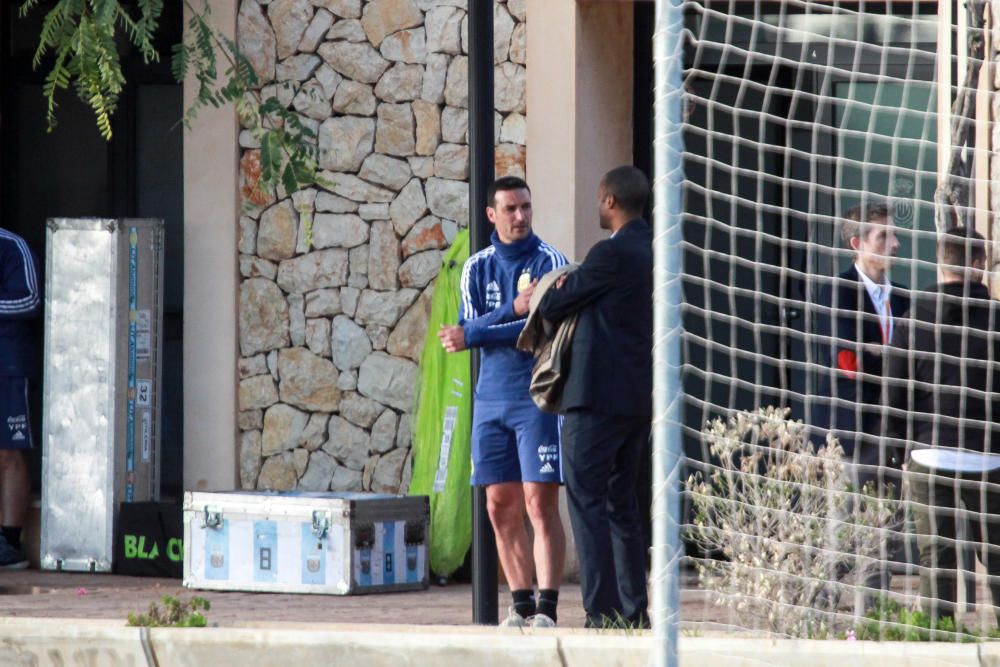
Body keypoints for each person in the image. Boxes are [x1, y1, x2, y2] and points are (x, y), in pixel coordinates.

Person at [438, 176, 568, 627]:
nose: (520, 217)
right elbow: (479, 325)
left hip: (537, 398)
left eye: (526, 207)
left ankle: (548, 610)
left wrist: (476, 333)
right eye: (510, 209)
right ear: (491, 215)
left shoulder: (551, 261)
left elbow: (537, 327)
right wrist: (509, 312)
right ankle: (520, 606)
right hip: (489, 400)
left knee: (539, 503)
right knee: (498, 505)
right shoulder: (475, 268)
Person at [536, 165, 652, 628]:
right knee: (622, 504)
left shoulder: (609, 254)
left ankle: (600, 612)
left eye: (599, 199)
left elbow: (552, 305)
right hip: (636, 401)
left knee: (585, 500)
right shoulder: (652, 250)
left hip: (596, 400)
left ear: (609, 202)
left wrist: (560, 286)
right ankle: (632, 611)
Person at [883, 226, 1000, 625]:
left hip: (929, 453)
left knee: (937, 553)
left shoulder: (914, 317)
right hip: (988, 457)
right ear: (978, 264)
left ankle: (938, 638)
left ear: (940, 262)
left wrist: (898, 449)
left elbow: (895, 393)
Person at [810, 201, 908, 602]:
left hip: (895, 432)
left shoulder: (904, 299)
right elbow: (849, 362)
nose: (895, 244)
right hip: (852, 431)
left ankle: (873, 619)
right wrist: (891, 357)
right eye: (883, 236)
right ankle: (820, 612)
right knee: (843, 530)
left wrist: (880, 353)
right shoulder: (836, 292)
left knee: (886, 535)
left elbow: (913, 362)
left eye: (893, 235)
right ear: (857, 243)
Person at [0, 227, 41, 569]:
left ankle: (9, 543)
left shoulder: (12, 245)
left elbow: (30, 298)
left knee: (9, 451)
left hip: (7, 365)